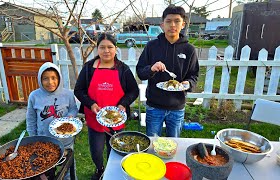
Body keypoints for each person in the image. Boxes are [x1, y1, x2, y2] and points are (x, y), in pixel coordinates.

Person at [74, 33, 139, 180]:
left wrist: (123, 103)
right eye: (102, 47)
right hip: (94, 118)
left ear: (116, 49)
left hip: (116, 119)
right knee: (96, 151)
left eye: (110, 47)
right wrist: (91, 104)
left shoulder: (123, 69)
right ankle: (99, 169)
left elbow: (133, 90)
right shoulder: (89, 68)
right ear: (97, 49)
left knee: (114, 149)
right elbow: (78, 90)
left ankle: (112, 172)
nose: (106, 51)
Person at [136, 5, 199, 137]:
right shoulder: (152, 46)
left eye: (177, 21)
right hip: (154, 106)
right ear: (162, 24)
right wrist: (151, 69)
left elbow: (194, 75)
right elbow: (140, 71)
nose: (172, 25)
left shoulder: (189, 49)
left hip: (177, 107)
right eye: (168, 21)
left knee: (173, 143)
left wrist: (188, 84)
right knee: (153, 142)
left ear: (183, 24)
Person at [26, 62, 78, 179]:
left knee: (67, 168)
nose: (50, 82)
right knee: (44, 169)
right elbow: (31, 120)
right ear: (40, 79)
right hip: (44, 141)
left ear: (59, 78)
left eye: (53, 78)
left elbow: (73, 109)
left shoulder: (68, 94)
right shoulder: (34, 96)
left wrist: (70, 116)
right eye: (45, 79)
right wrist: (34, 139)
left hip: (66, 141)